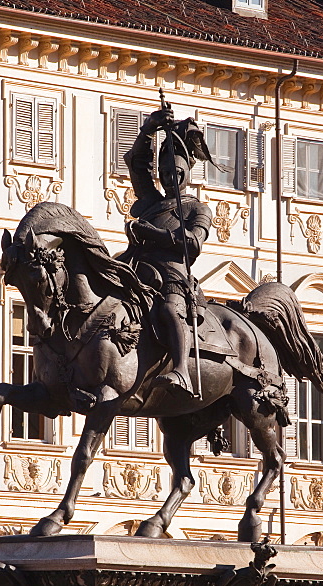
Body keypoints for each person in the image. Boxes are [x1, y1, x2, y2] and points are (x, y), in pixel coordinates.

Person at [122, 106, 213, 398]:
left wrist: (153, 234)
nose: (168, 177)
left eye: (175, 172)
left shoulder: (197, 208)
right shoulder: (150, 201)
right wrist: (148, 130)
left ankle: (182, 370)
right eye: (164, 173)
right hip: (136, 267)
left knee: (169, 309)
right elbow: (138, 165)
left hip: (172, 275)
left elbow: (193, 243)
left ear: (186, 173)